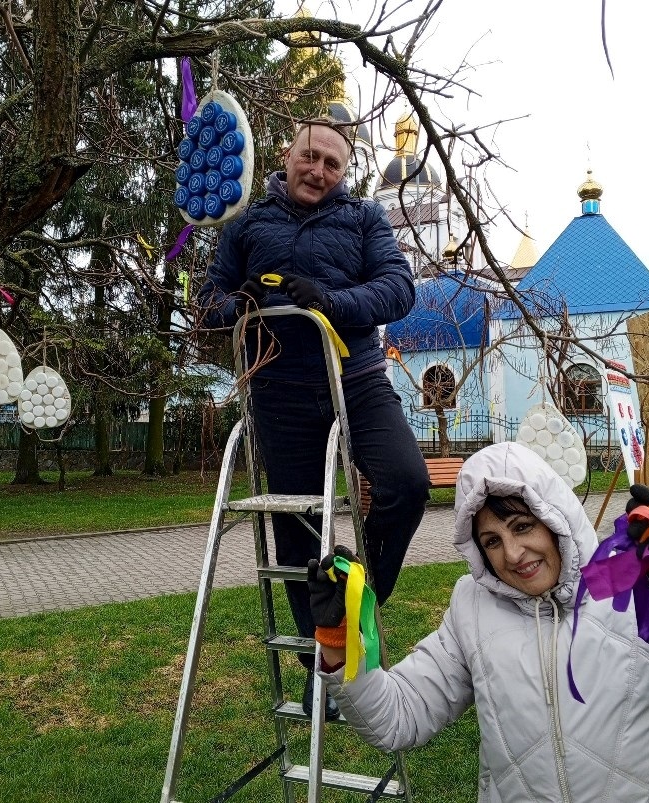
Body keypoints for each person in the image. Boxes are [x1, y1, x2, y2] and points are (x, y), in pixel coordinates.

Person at [308, 441, 649, 802]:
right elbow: (397, 718)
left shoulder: (647, 586)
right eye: (492, 541)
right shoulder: (472, 609)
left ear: (555, 517)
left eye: (523, 526)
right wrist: (340, 645)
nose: (514, 553)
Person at [196, 117, 430, 719]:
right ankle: (316, 665)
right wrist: (237, 302)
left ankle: (360, 602)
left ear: (343, 172)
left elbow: (399, 289)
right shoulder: (248, 222)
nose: (319, 171)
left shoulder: (363, 219)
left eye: (333, 164)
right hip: (280, 393)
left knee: (406, 484)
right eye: (311, 157)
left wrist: (331, 300)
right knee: (298, 530)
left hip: (356, 382)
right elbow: (208, 301)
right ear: (287, 153)